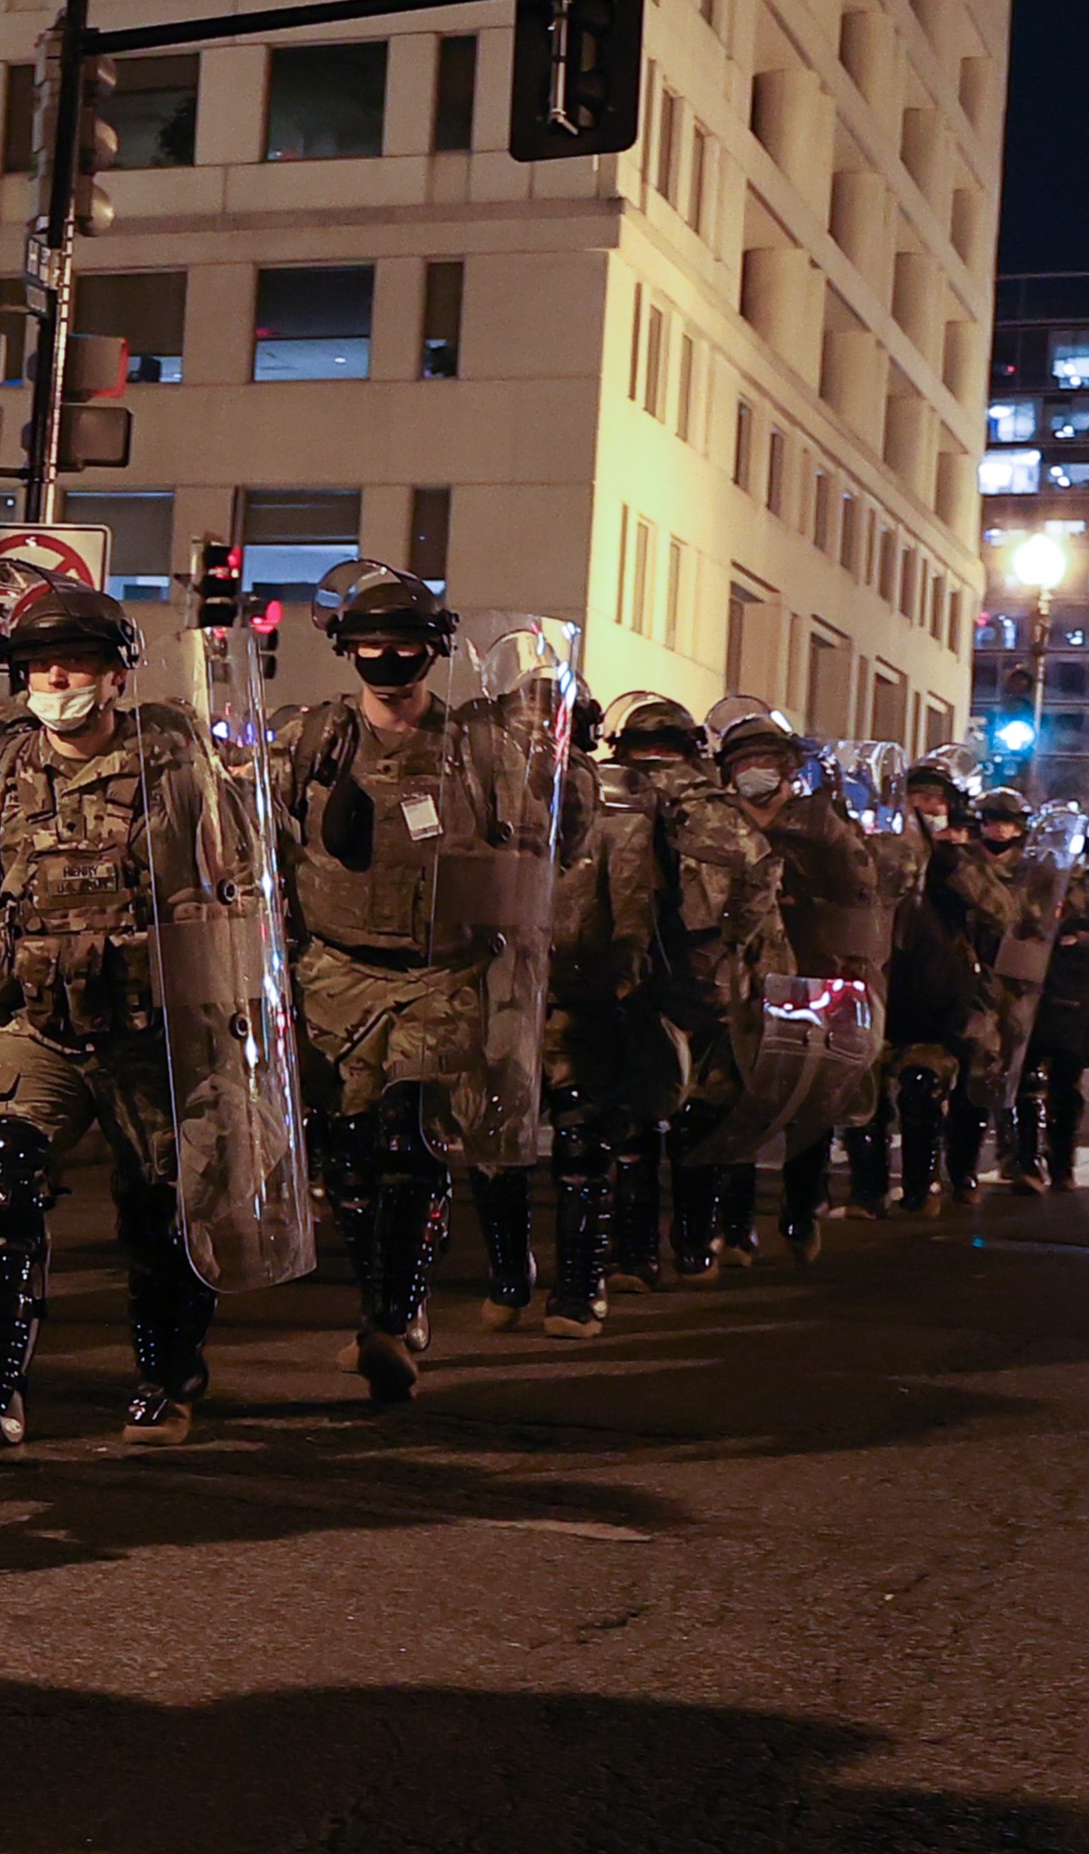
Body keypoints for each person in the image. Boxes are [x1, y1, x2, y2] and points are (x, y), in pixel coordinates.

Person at [0, 582, 229, 1470]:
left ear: (116, 674)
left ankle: (167, 1376)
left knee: (162, 1212)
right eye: (40, 665)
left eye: (77, 662)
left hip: (155, 1038)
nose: (57, 679)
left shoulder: (175, 768)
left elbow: (245, 888)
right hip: (39, 1030)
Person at [270, 566, 530, 1403]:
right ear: (346, 649)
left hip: (439, 976)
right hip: (335, 977)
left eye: (405, 642)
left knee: (410, 1137)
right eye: (372, 642)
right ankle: (386, 1292)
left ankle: (389, 1320)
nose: (388, 657)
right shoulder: (308, 742)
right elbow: (252, 842)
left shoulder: (476, 749)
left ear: (433, 649)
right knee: (350, 1162)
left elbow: (546, 838)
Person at [557, 695, 781, 1305]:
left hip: (622, 977)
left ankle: (635, 1255)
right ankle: (693, 1245)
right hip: (699, 981)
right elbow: (760, 878)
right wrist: (730, 942)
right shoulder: (714, 809)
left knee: (627, 1121)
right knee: (698, 1117)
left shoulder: (602, 797)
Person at [708, 709, 872, 1265]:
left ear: (787, 768)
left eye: (766, 761)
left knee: (813, 1103)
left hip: (811, 980)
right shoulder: (714, 823)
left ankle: (801, 1212)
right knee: (737, 1101)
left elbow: (861, 890)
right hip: (737, 982)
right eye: (744, 762)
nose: (756, 771)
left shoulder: (820, 824)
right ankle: (735, 1227)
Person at [872, 761, 1010, 1214]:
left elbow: (1001, 911)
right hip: (884, 988)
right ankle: (868, 1189)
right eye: (918, 797)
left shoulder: (960, 859)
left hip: (943, 994)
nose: (927, 807)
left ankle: (938, 1180)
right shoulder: (878, 849)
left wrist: (953, 866)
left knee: (939, 1083)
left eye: (936, 800)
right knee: (865, 1097)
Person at [1006, 820, 1089, 1194]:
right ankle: (1025, 1160)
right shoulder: (1030, 879)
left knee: (1066, 1084)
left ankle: (1062, 1163)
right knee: (1025, 1083)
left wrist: (1080, 939)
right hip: (1032, 990)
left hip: (1075, 997)